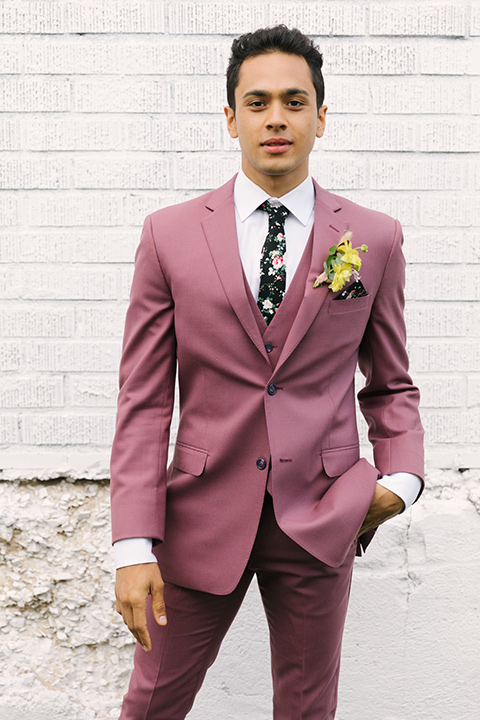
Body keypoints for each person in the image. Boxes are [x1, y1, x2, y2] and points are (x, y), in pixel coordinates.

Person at [110, 25, 424, 720]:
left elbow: (392, 382)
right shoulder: (169, 234)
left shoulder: (373, 238)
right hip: (197, 517)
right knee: (151, 705)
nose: (276, 118)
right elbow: (143, 400)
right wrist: (132, 544)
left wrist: (398, 483)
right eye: (256, 102)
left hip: (323, 513)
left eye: (293, 100)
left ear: (320, 115)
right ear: (230, 118)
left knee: (309, 711)